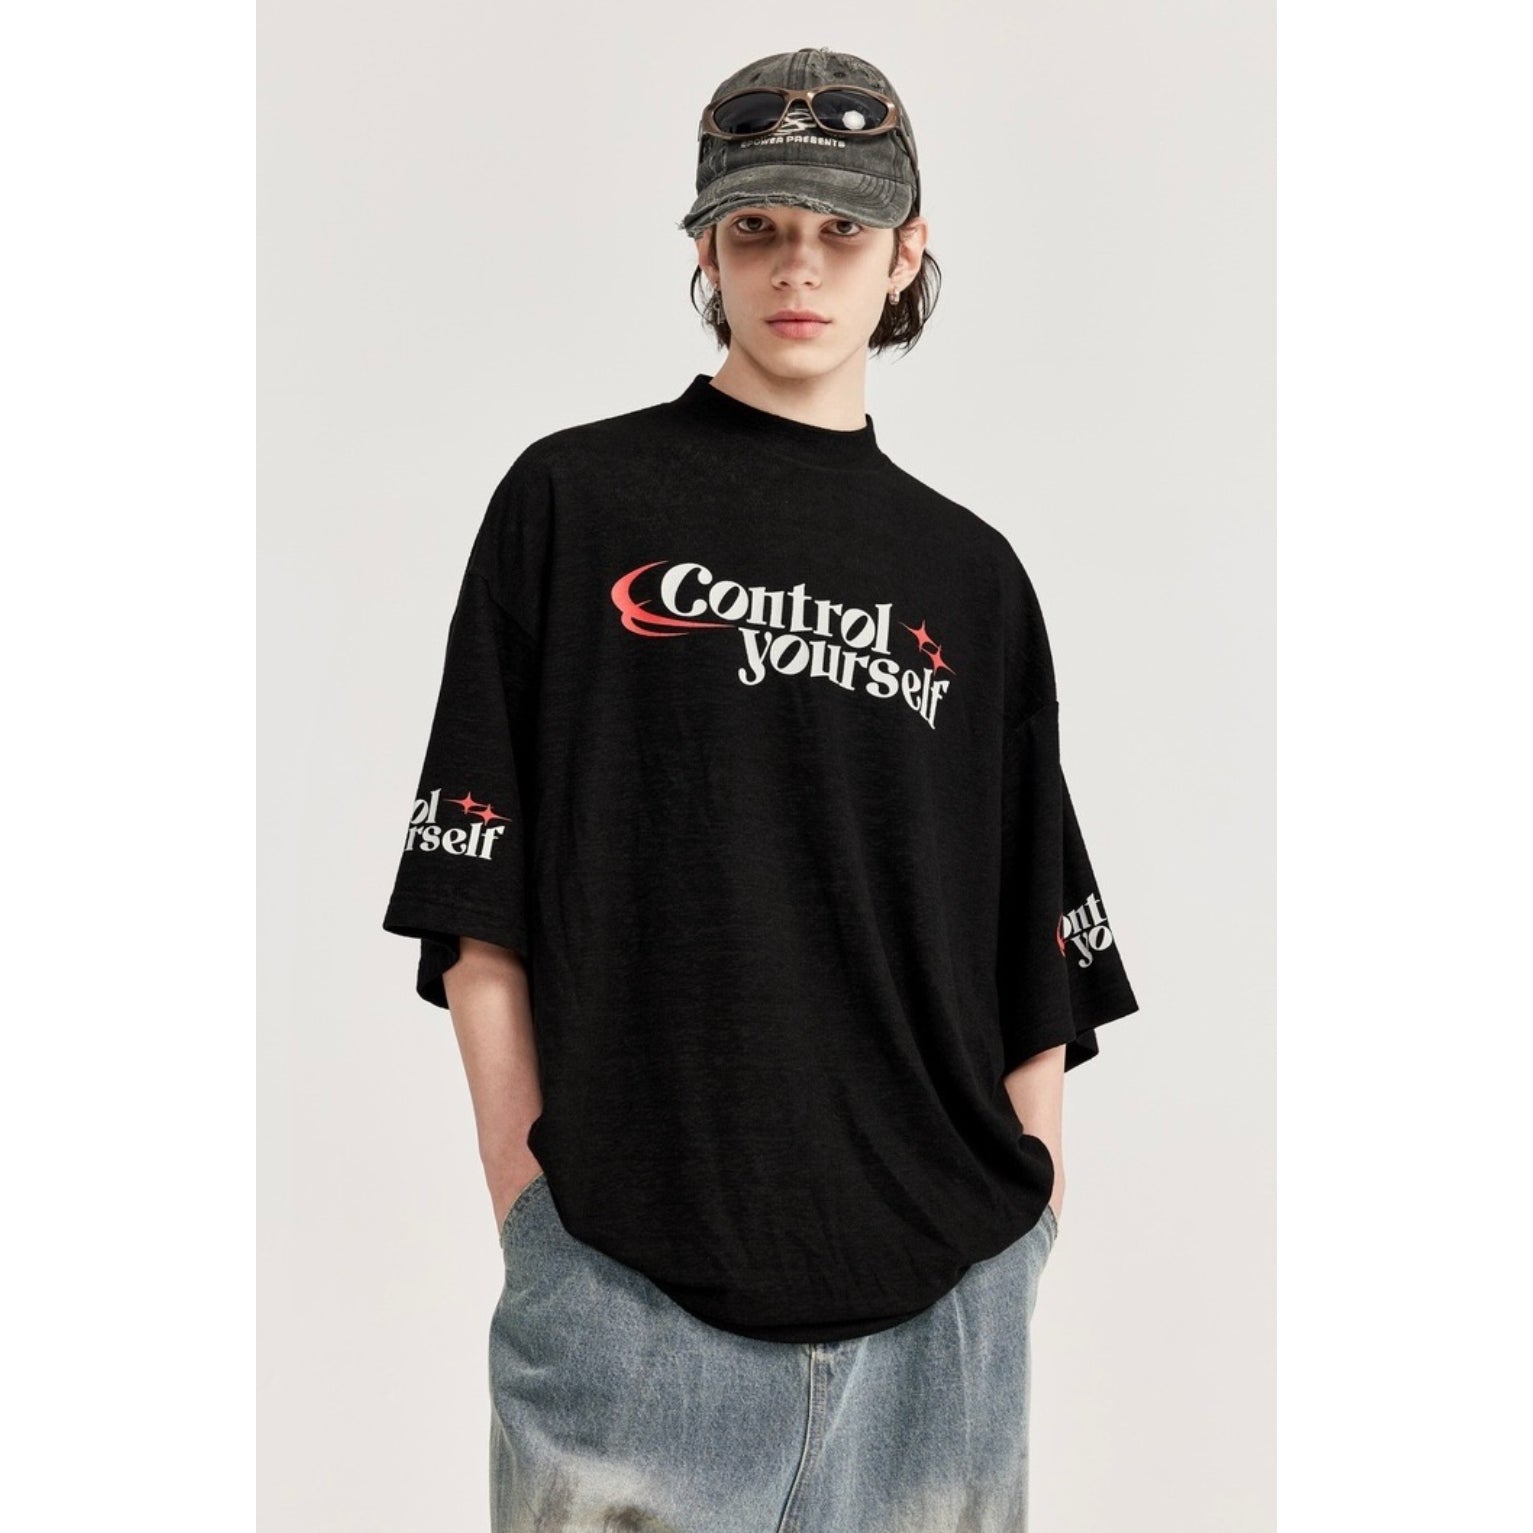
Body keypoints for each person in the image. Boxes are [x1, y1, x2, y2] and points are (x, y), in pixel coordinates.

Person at [381, 44, 1140, 1533]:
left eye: (843, 229)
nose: (800, 266)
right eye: (758, 228)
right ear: (706, 251)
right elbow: (477, 898)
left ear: (906, 252)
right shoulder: (571, 503)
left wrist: (1028, 1222)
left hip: (943, 1324)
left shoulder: (972, 579)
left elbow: (1033, 947)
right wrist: (536, 1214)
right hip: (627, 1298)